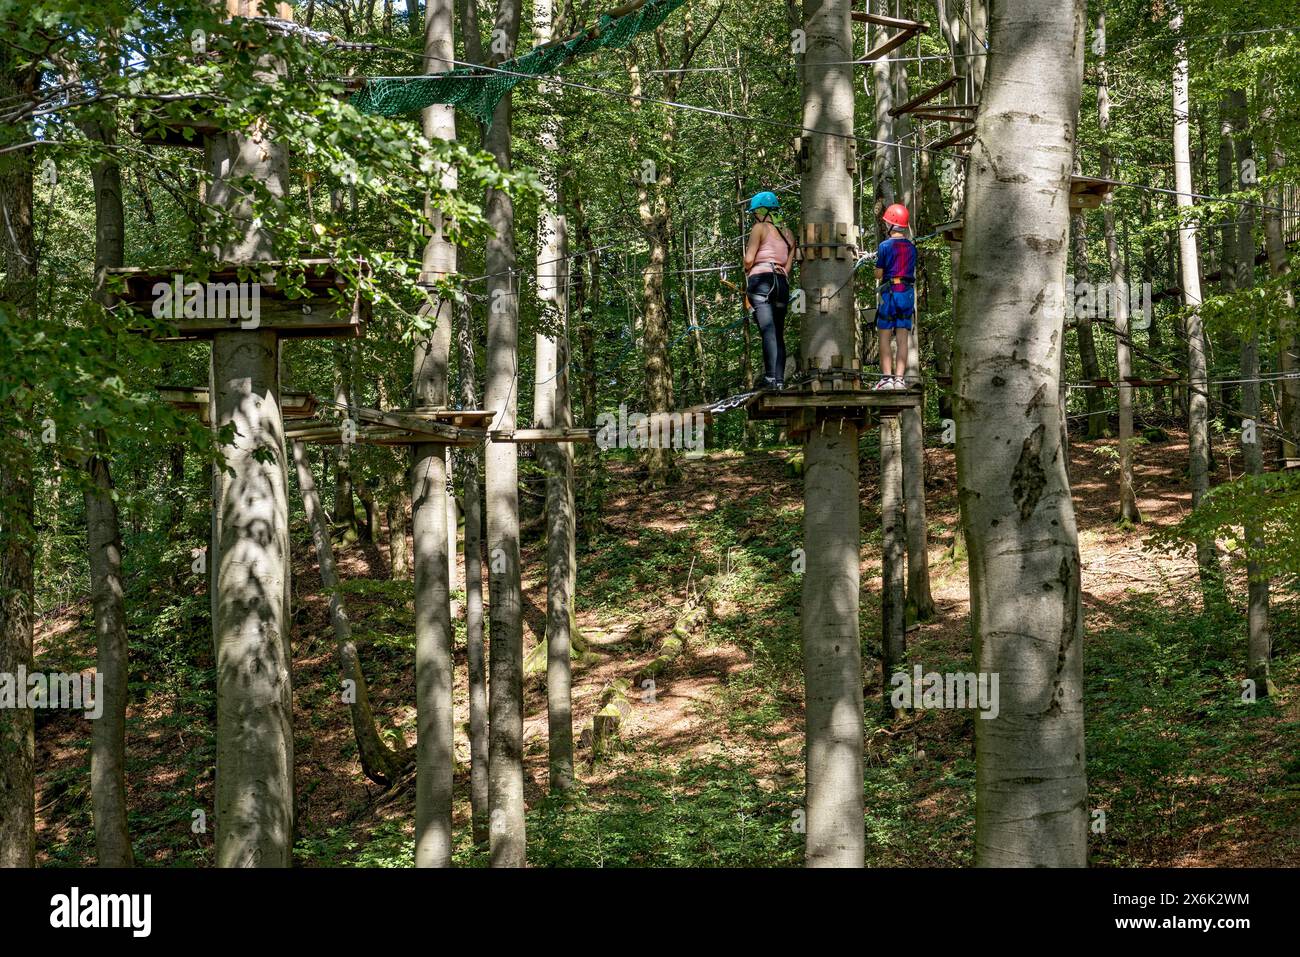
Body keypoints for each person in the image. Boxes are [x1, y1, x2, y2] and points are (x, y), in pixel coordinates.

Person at [743, 190, 796, 390]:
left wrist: (747, 266)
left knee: (768, 330)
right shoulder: (788, 234)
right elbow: (787, 267)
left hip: (761, 280)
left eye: (755, 212)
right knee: (778, 332)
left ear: (762, 211)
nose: (754, 216)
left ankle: (770, 378)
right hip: (781, 283)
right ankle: (779, 380)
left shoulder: (759, 228)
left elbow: (749, 260)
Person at [872, 203, 917, 391]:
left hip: (890, 293)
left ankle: (886, 378)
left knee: (884, 335)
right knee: (902, 338)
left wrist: (876, 261)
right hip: (906, 294)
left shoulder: (884, 246)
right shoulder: (911, 248)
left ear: (891, 225)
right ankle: (899, 379)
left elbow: (878, 274)